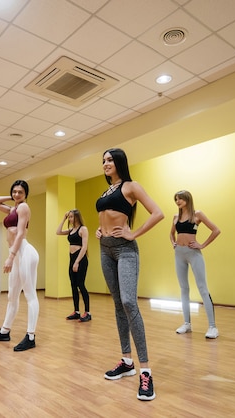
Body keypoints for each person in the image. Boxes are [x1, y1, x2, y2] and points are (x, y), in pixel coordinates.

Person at [95, 148, 164, 401]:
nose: (105, 163)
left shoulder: (131, 186)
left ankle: (145, 371)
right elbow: (106, 217)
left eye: (110, 159)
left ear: (120, 162)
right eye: (103, 160)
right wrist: (99, 230)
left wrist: (133, 234)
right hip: (105, 250)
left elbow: (158, 213)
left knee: (128, 302)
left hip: (125, 251)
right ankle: (127, 361)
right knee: (116, 305)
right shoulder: (107, 191)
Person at [0, 180, 40, 352]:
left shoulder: (23, 207)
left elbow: (21, 233)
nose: (17, 194)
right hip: (17, 255)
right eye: (14, 192)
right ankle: (4, 331)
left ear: (26, 194)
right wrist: (11, 197)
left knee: (30, 295)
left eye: (20, 192)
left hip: (24, 252)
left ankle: (31, 336)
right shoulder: (13, 209)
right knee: (12, 295)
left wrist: (11, 256)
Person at [169, 190, 221, 339]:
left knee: (202, 288)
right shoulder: (175, 217)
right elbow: (171, 234)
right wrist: (173, 243)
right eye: (176, 199)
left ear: (187, 199)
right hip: (179, 254)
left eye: (180, 199)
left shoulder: (197, 215)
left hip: (193, 254)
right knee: (184, 288)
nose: (178, 201)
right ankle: (187, 323)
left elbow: (216, 230)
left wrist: (202, 245)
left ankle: (212, 327)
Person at [56, 209, 91, 322]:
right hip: (72, 259)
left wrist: (77, 262)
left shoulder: (83, 229)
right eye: (69, 217)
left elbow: (84, 247)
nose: (70, 219)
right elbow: (58, 231)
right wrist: (64, 218)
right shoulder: (71, 230)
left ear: (77, 217)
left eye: (72, 217)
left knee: (81, 284)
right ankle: (76, 311)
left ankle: (87, 312)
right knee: (73, 285)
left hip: (80, 259)